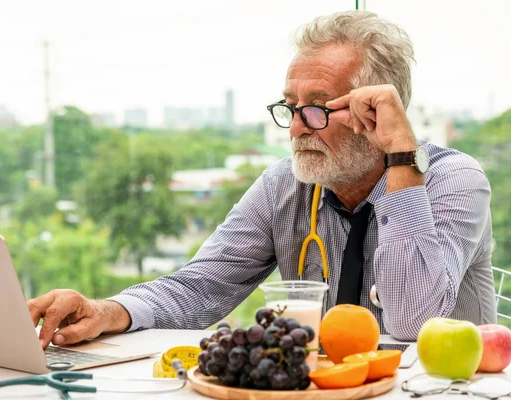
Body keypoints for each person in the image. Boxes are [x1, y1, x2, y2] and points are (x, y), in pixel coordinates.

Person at [28, 10, 497, 348]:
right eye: (290, 107)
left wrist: (400, 156)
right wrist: (107, 311)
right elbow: (201, 286)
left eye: (316, 107)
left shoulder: (454, 181)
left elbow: (415, 322)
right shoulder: (285, 186)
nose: (294, 128)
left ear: (374, 111)